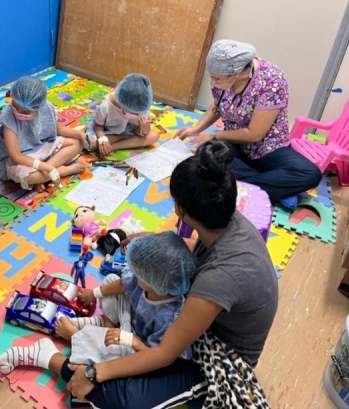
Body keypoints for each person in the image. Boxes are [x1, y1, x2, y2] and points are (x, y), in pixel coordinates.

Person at [49, 141, 278, 409]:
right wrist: (143, 238)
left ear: (180, 210)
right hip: (195, 323)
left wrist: (93, 373)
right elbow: (191, 248)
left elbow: (164, 353)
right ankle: (95, 346)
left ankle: (62, 364)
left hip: (218, 355)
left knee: (122, 398)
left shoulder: (217, 279)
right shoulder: (228, 220)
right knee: (129, 287)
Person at [0, 231, 196, 375]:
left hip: (140, 345)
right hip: (129, 321)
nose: (132, 273)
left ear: (155, 282)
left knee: (122, 353)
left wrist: (130, 340)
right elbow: (122, 284)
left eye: (139, 272)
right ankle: (105, 326)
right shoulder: (147, 284)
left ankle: (76, 336)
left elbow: (155, 357)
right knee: (110, 281)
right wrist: (93, 293)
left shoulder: (170, 318)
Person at [177, 40, 321, 210]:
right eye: (212, 77)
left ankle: (235, 189)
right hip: (236, 144)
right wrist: (196, 129)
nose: (213, 83)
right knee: (204, 152)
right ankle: (278, 187)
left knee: (310, 173)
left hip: (269, 149)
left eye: (216, 78)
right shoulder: (223, 80)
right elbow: (218, 105)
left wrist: (215, 134)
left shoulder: (272, 81)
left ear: (236, 74)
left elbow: (255, 134)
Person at [0, 76, 86, 192]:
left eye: (26, 111)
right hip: (18, 159)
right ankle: (60, 171)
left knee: (78, 143)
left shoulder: (46, 107)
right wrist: (45, 167)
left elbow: (58, 129)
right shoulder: (7, 117)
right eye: (16, 106)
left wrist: (80, 135)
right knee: (25, 175)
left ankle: (44, 176)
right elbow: (16, 157)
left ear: (38, 106)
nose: (20, 112)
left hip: (41, 148)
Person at [86, 73, 159, 158]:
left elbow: (137, 131)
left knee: (154, 135)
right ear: (122, 104)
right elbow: (98, 126)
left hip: (127, 130)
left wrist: (145, 129)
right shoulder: (106, 107)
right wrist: (102, 139)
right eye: (132, 113)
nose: (135, 115)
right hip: (108, 130)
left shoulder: (141, 107)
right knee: (91, 144)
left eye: (136, 113)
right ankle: (123, 138)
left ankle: (113, 147)